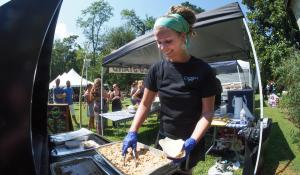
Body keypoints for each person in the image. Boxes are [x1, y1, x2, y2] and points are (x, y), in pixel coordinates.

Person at [121, 5, 217, 174]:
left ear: (183, 36)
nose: (163, 48)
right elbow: (145, 104)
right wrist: (132, 131)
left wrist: (192, 141)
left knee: (185, 173)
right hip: (165, 138)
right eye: (158, 42)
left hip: (191, 138)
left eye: (168, 41)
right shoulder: (157, 70)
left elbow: (207, 113)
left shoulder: (203, 70)